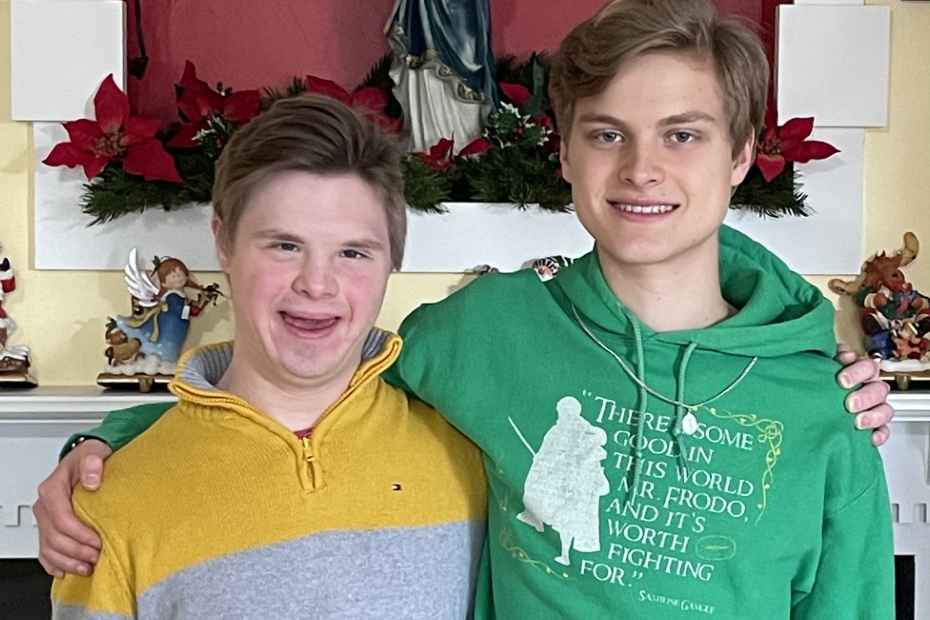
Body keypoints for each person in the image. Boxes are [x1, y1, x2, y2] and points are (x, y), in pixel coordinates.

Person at [36, 0, 895, 617]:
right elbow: (307, 388)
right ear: (563, 154)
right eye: (606, 133)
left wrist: (821, 357)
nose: (641, 168)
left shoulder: (828, 402)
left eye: (682, 134)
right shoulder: (481, 331)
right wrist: (103, 448)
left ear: (742, 154)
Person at [48, 95, 487, 620]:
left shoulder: (475, 461)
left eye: (352, 252)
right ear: (224, 243)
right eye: (284, 246)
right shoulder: (108, 505)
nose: (317, 284)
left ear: (392, 259)